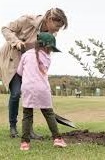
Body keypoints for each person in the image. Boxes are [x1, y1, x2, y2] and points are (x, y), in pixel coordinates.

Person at [0, 8, 68, 138]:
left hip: (30, 64)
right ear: (49, 19)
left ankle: (29, 131)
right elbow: (5, 29)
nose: (57, 30)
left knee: (30, 94)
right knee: (16, 93)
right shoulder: (28, 20)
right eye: (57, 26)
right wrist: (16, 42)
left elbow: (46, 55)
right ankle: (13, 127)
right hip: (13, 59)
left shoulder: (51, 34)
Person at [17, 32, 67, 151]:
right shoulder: (47, 57)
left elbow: (19, 72)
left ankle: (25, 143)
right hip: (42, 88)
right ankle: (57, 139)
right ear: (45, 46)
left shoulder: (26, 55)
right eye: (50, 48)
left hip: (28, 88)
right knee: (49, 114)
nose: (50, 51)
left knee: (27, 115)